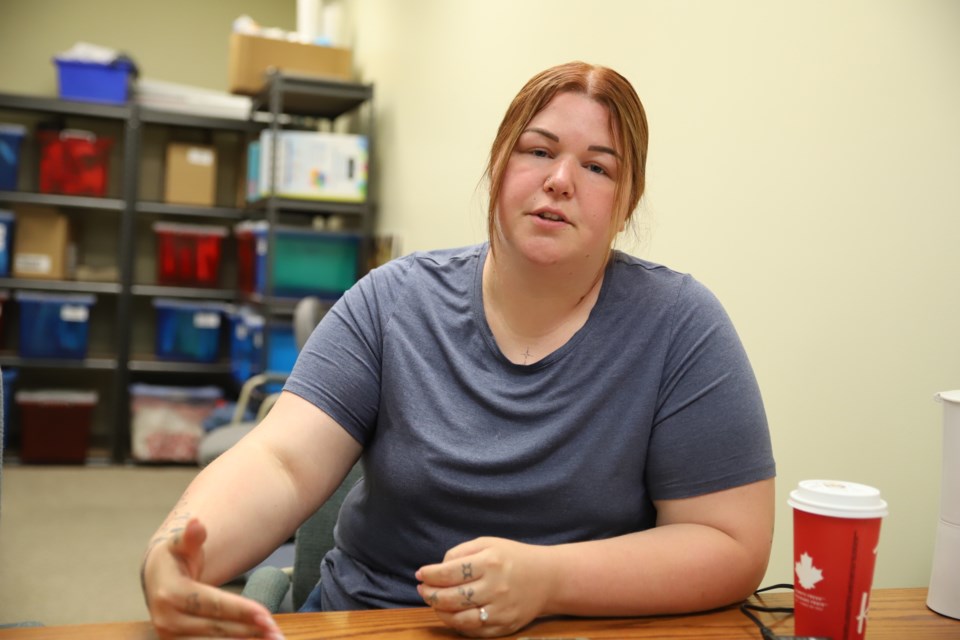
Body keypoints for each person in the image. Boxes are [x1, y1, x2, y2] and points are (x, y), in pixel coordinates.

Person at [141, 61, 776, 640]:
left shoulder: (680, 326)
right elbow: (281, 460)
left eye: (597, 166)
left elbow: (728, 540)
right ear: (499, 165)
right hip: (374, 622)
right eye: (538, 151)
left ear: (626, 202)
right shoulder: (392, 301)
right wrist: (177, 551)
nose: (559, 180)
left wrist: (550, 579)